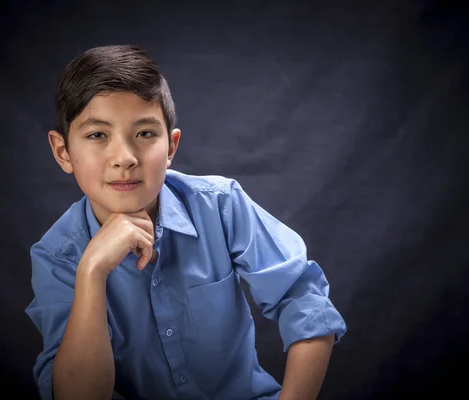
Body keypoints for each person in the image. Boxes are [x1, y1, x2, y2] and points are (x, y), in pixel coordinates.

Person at [25, 44, 347, 400]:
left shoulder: (220, 205)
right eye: (97, 135)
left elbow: (304, 300)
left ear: (171, 147)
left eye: (145, 133)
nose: (125, 158)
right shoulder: (57, 255)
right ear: (63, 152)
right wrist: (92, 272)